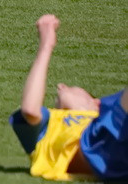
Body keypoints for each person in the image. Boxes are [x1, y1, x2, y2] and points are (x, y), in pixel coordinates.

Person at [10, 14, 126, 181]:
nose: (60, 86)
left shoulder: (102, 112)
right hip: (98, 148)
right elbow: (30, 110)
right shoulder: (48, 125)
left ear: (96, 103)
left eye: (72, 87)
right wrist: (45, 46)